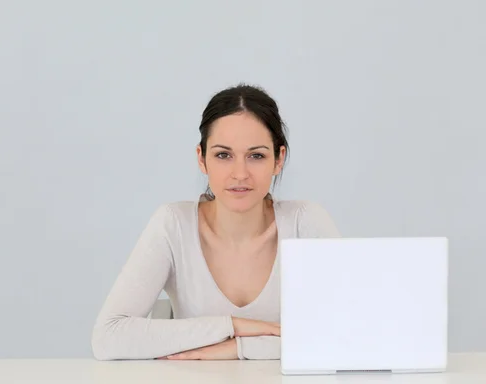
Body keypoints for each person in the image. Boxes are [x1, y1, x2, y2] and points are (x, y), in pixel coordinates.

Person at [91, 84, 340, 361]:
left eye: (256, 155)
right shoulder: (172, 224)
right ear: (202, 158)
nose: (240, 173)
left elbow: (351, 334)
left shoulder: (305, 223)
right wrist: (232, 326)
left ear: (278, 159)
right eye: (223, 155)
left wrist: (238, 347)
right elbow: (108, 337)